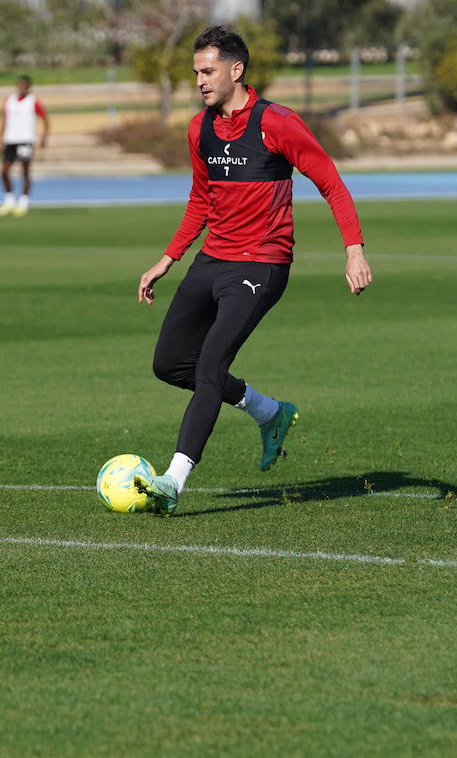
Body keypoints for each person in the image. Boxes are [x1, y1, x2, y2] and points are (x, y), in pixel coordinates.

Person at [133, 26, 373, 516]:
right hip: (211, 260)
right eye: (195, 72)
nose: (199, 81)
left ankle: (172, 482)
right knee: (170, 364)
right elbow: (201, 199)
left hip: (262, 264)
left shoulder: (277, 123)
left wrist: (354, 250)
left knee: (210, 364)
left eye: (208, 71)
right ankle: (269, 411)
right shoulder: (198, 128)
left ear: (236, 70)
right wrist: (167, 258)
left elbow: (332, 184)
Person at [0, 75, 49, 217]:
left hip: (26, 140)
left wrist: (43, 137)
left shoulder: (33, 101)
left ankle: (24, 201)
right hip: (11, 140)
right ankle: (9, 200)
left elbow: (45, 119)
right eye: (21, 84)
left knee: (25, 171)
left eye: (25, 85)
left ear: (29, 87)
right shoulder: (9, 100)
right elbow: (4, 120)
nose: (22, 87)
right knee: (3, 171)